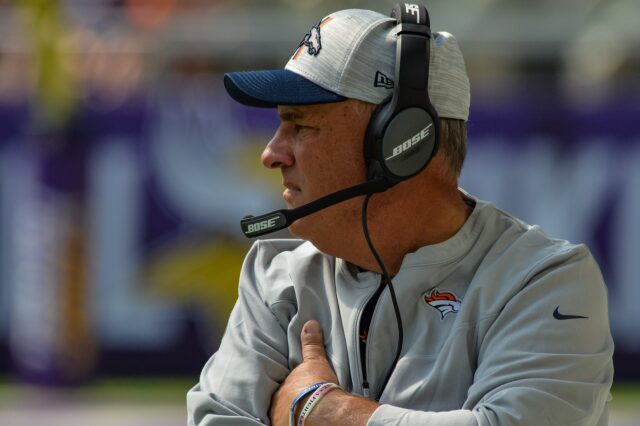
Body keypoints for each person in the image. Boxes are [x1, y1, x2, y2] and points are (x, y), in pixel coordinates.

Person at [187, 6, 614, 426]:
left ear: (400, 142)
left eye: (301, 125)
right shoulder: (274, 280)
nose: (270, 154)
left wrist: (320, 410)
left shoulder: (545, 280)